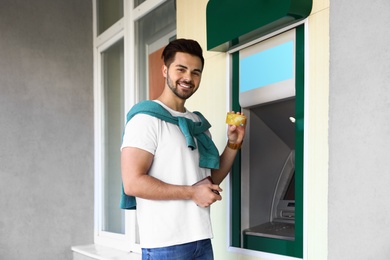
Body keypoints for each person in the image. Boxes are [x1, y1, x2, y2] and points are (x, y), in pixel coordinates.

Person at [121, 38, 246, 260]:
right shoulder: (145, 119)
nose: (188, 77)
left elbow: (209, 179)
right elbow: (132, 183)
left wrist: (233, 143)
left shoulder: (197, 124)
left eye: (196, 72)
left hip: (201, 240)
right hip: (165, 246)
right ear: (165, 70)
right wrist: (191, 192)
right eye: (181, 69)